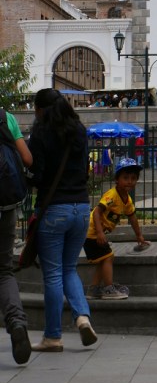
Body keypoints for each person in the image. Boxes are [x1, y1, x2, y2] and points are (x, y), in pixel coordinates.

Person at [28, 88, 97, 351]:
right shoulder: (78, 130)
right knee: (69, 268)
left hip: (54, 209)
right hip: (81, 207)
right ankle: (82, 318)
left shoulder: (41, 133)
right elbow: (84, 170)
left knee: (54, 274)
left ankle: (53, 337)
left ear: (40, 109)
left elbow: (37, 174)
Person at [84, 157, 149, 300]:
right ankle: (108, 289)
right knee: (108, 257)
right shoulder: (112, 195)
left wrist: (139, 236)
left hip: (95, 233)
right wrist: (100, 233)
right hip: (91, 232)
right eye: (125, 178)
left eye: (133, 178)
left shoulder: (127, 199)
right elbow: (97, 212)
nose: (129, 181)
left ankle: (93, 289)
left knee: (103, 258)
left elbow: (132, 218)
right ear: (117, 179)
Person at [0, 107, 33, 364]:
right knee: (3, 271)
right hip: (5, 206)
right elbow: (27, 159)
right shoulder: (6, 117)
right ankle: (17, 323)